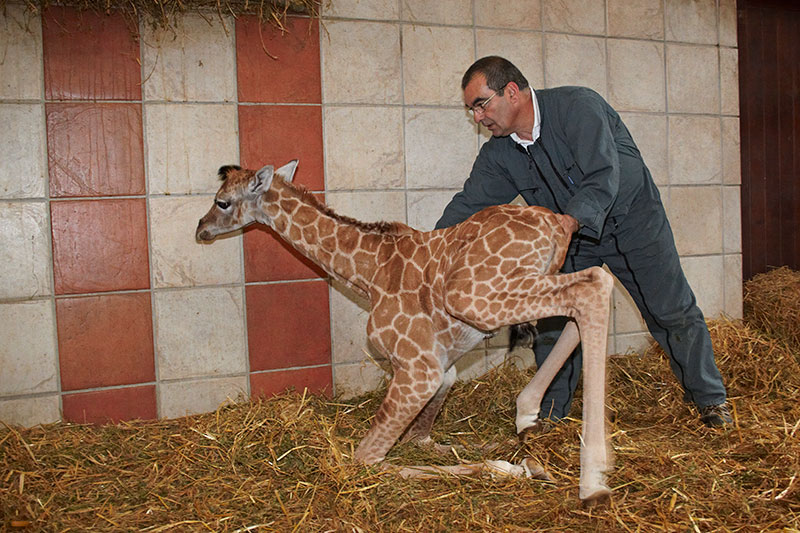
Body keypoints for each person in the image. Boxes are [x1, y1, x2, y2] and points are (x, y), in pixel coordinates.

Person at [435, 56, 732, 428]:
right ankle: (550, 418)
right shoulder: (499, 153)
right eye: (472, 110)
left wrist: (569, 222)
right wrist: (427, 248)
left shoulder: (578, 107)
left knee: (669, 310)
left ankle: (710, 402)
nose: (477, 117)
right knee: (554, 323)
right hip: (570, 236)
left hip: (631, 221)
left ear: (511, 92)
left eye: (480, 105)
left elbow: (602, 174)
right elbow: (469, 203)